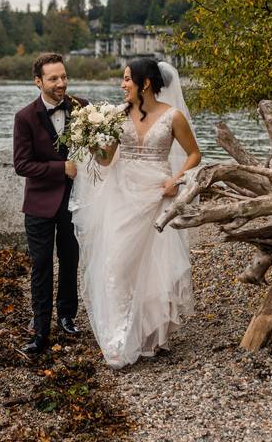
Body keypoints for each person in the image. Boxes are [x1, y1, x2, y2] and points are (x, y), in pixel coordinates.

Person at [70, 58, 201, 368]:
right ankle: (119, 336)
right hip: (122, 197)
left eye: (127, 79)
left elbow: (195, 153)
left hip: (158, 195)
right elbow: (105, 160)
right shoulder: (118, 115)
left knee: (155, 266)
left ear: (145, 83)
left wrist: (177, 179)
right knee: (117, 265)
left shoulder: (173, 117)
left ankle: (149, 336)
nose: (122, 84)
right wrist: (89, 141)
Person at [12, 53, 88, 355]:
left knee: (71, 261)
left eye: (63, 77)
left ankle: (68, 317)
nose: (61, 83)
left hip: (75, 201)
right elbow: (22, 165)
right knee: (41, 265)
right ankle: (41, 327)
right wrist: (61, 168)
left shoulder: (82, 107)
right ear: (38, 81)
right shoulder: (25, 117)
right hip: (39, 205)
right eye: (53, 78)